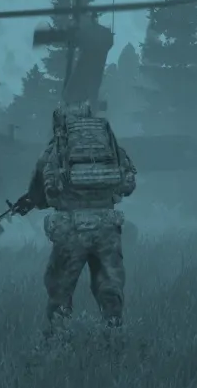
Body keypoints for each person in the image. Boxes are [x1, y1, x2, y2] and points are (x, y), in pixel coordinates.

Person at [9, 101, 137, 336]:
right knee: (109, 285)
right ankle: (114, 333)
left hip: (71, 229)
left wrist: (31, 202)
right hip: (107, 226)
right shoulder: (109, 145)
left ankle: (59, 338)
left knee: (60, 287)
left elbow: (40, 193)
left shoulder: (54, 150)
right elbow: (128, 184)